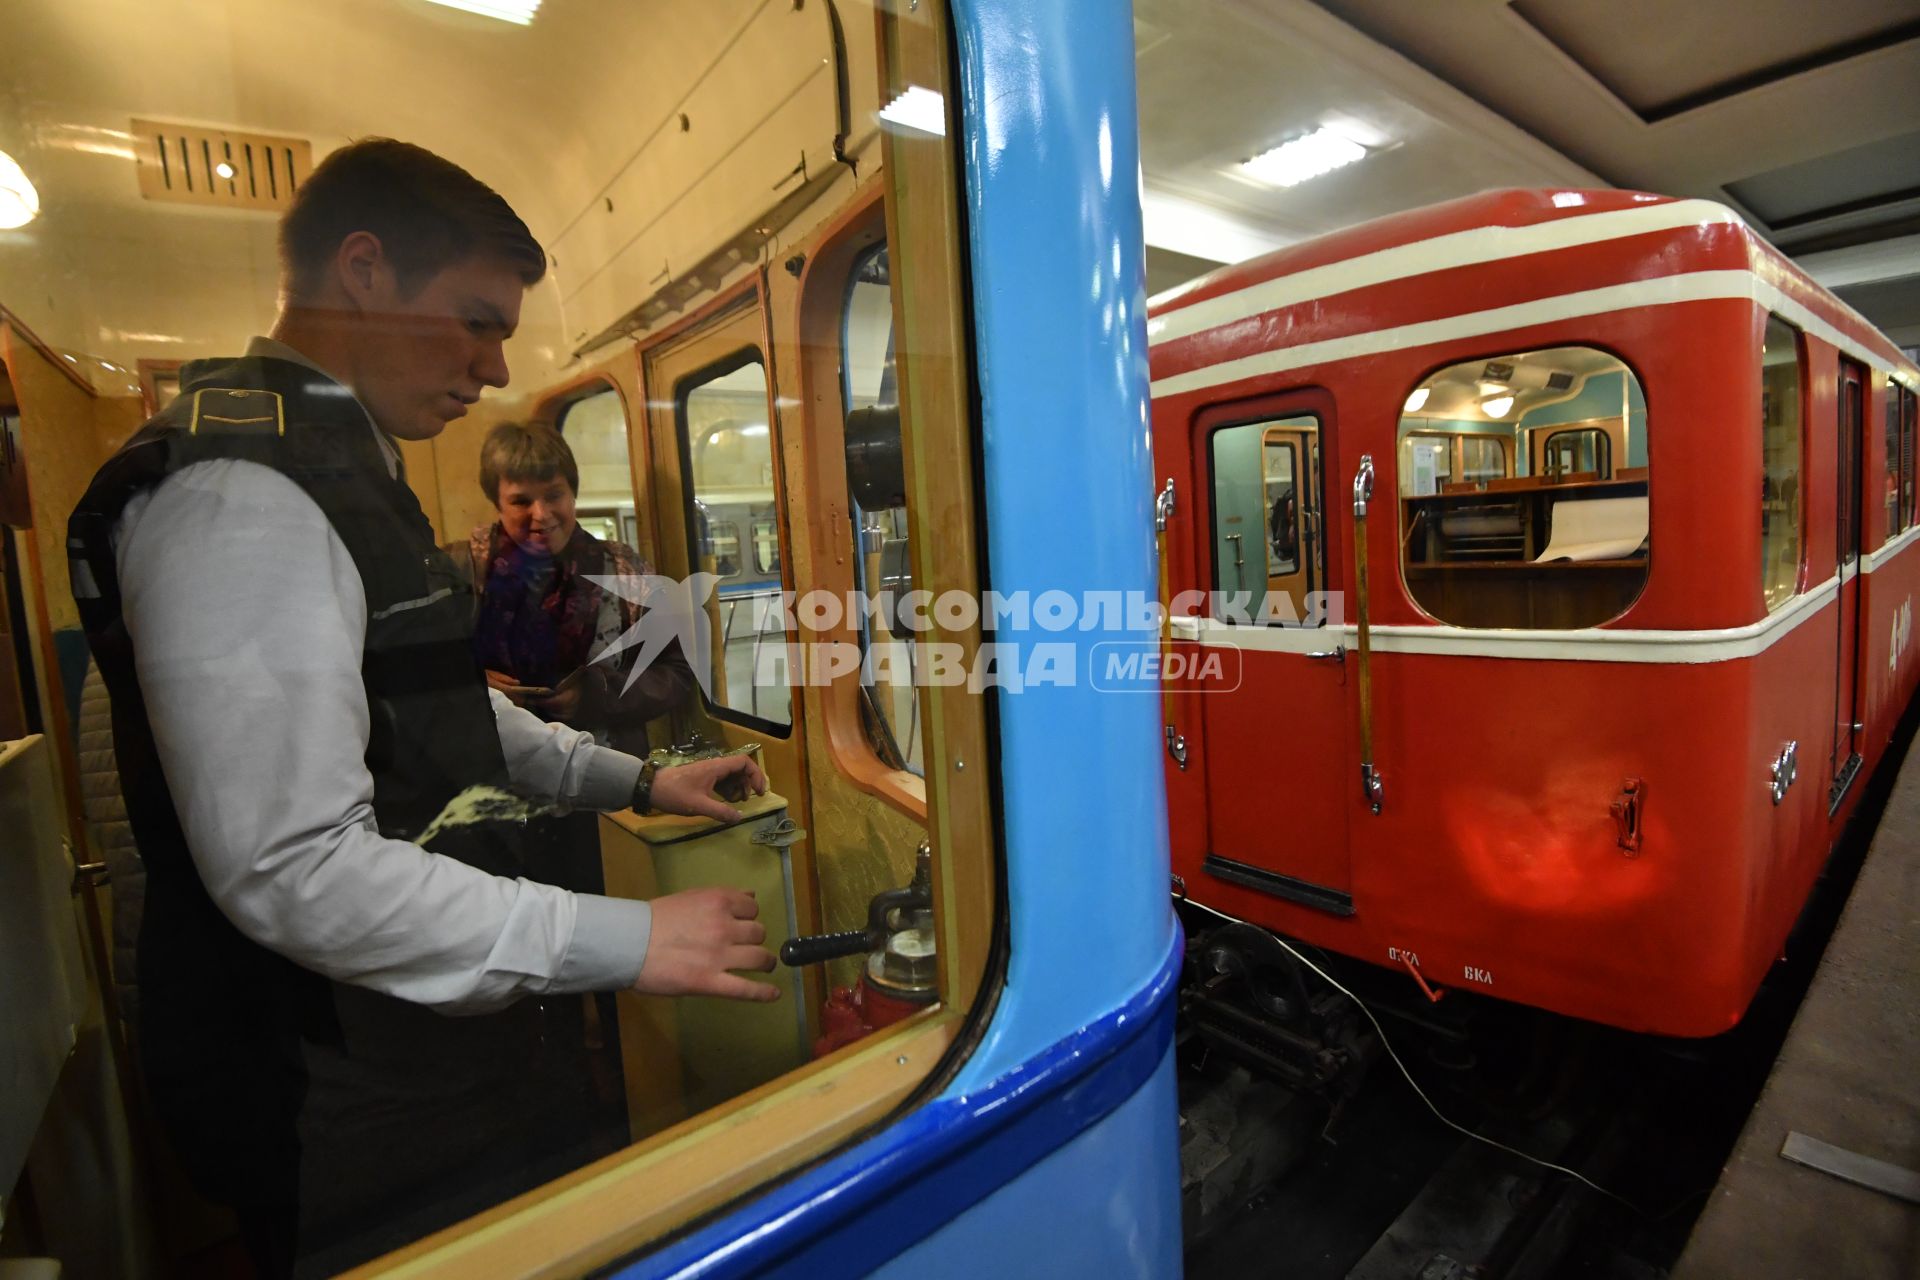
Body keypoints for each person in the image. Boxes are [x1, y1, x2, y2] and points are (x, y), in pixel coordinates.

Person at [66, 138, 776, 1278]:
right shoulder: (239, 497)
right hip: (340, 1083)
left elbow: (433, 705)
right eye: (477, 320)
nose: (495, 368)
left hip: (422, 1046)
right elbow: (294, 865)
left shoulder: (344, 466)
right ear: (364, 268)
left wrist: (638, 779)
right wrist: (626, 936)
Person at [458, 420, 693, 756]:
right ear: (497, 503)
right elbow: (420, 678)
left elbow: (677, 672)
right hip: (498, 779)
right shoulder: (462, 570)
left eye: (554, 495)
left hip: (609, 780)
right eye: (521, 501)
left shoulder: (626, 571)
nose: (541, 514)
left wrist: (595, 695)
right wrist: (476, 688)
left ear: (573, 493)